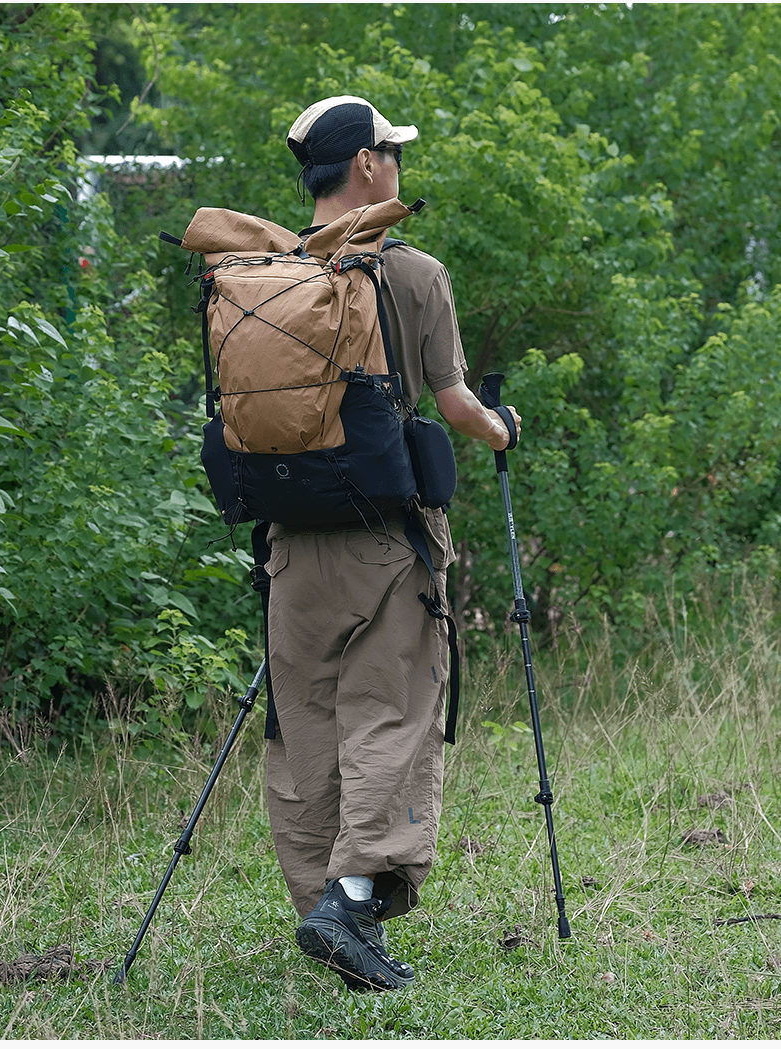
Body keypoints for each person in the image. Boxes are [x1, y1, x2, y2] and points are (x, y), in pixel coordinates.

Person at [264, 95, 521, 992]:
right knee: (390, 712)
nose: (399, 165)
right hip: (388, 540)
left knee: (306, 724)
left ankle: (323, 903)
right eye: (392, 152)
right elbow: (456, 408)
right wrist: (502, 428)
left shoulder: (265, 274)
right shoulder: (413, 273)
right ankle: (351, 898)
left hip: (289, 545)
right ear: (366, 168)